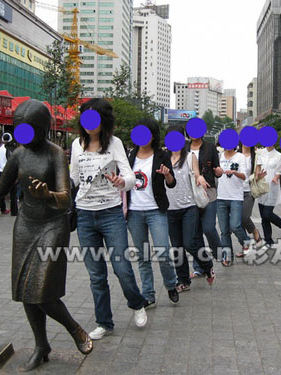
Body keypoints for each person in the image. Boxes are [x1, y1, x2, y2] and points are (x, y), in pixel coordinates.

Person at [0, 100, 93, 371]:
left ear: (42, 128)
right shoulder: (19, 155)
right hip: (25, 225)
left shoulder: (55, 153)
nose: (25, 135)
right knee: (25, 291)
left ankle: (74, 330)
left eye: (30, 129)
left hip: (52, 226)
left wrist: (46, 194)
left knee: (43, 291)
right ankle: (41, 345)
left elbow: (65, 200)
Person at [70, 98, 148, 339]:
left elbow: (131, 177)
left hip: (111, 214)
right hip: (84, 214)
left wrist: (121, 182)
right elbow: (73, 177)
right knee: (96, 274)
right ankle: (104, 322)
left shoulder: (115, 144)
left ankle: (137, 303)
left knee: (122, 267)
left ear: (104, 121)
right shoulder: (76, 144)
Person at [127, 118, 180, 308]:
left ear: (153, 135)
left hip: (156, 210)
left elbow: (172, 183)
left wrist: (167, 174)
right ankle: (148, 294)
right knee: (143, 256)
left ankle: (171, 284)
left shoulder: (161, 155)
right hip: (134, 212)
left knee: (163, 252)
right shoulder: (130, 156)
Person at [164, 125, 215, 291]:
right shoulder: (163, 157)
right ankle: (183, 280)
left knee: (189, 243)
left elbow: (196, 172)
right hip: (171, 209)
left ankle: (207, 266)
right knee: (177, 247)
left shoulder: (189, 156)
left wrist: (200, 178)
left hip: (189, 207)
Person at [187, 133, 223, 278]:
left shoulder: (210, 148)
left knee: (208, 227)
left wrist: (219, 172)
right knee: (195, 233)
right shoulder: (184, 148)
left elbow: (217, 169)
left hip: (208, 191)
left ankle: (219, 252)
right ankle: (199, 267)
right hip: (190, 194)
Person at [215, 142, 250, 266]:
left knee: (235, 225)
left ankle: (246, 242)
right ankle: (228, 257)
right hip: (221, 197)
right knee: (224, 230)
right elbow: (215, 173)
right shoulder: (219, 156)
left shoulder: (240, 157)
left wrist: (234, 172)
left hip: (235, 197)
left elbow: (244, 176)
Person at [256, 144, 281, 246]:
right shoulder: (260, 153)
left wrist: (276, 178)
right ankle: (268, 239)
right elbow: (257, 168)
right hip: (261, 186)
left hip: (272, 186)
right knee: (263, 217)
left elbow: (278, 171)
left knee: (267, 214)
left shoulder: (279, 155)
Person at [238, 143, 265, 256]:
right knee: (238, 221)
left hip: (249, 190)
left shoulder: (256, 156)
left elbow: (256, 175)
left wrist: (259, 176)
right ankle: (245, 247)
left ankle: (255, 232)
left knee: (244, 216)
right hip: (235, 191)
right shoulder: (236, 154)